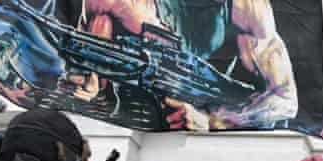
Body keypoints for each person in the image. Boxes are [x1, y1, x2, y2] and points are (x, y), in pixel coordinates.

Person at [72, 0, 297, 130]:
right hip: (138, 110)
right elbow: (88, 59)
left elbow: (284, 100)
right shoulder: (123, 5)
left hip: (207, 113)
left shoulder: (246, 8)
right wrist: (90, 79)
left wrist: (212, 121)